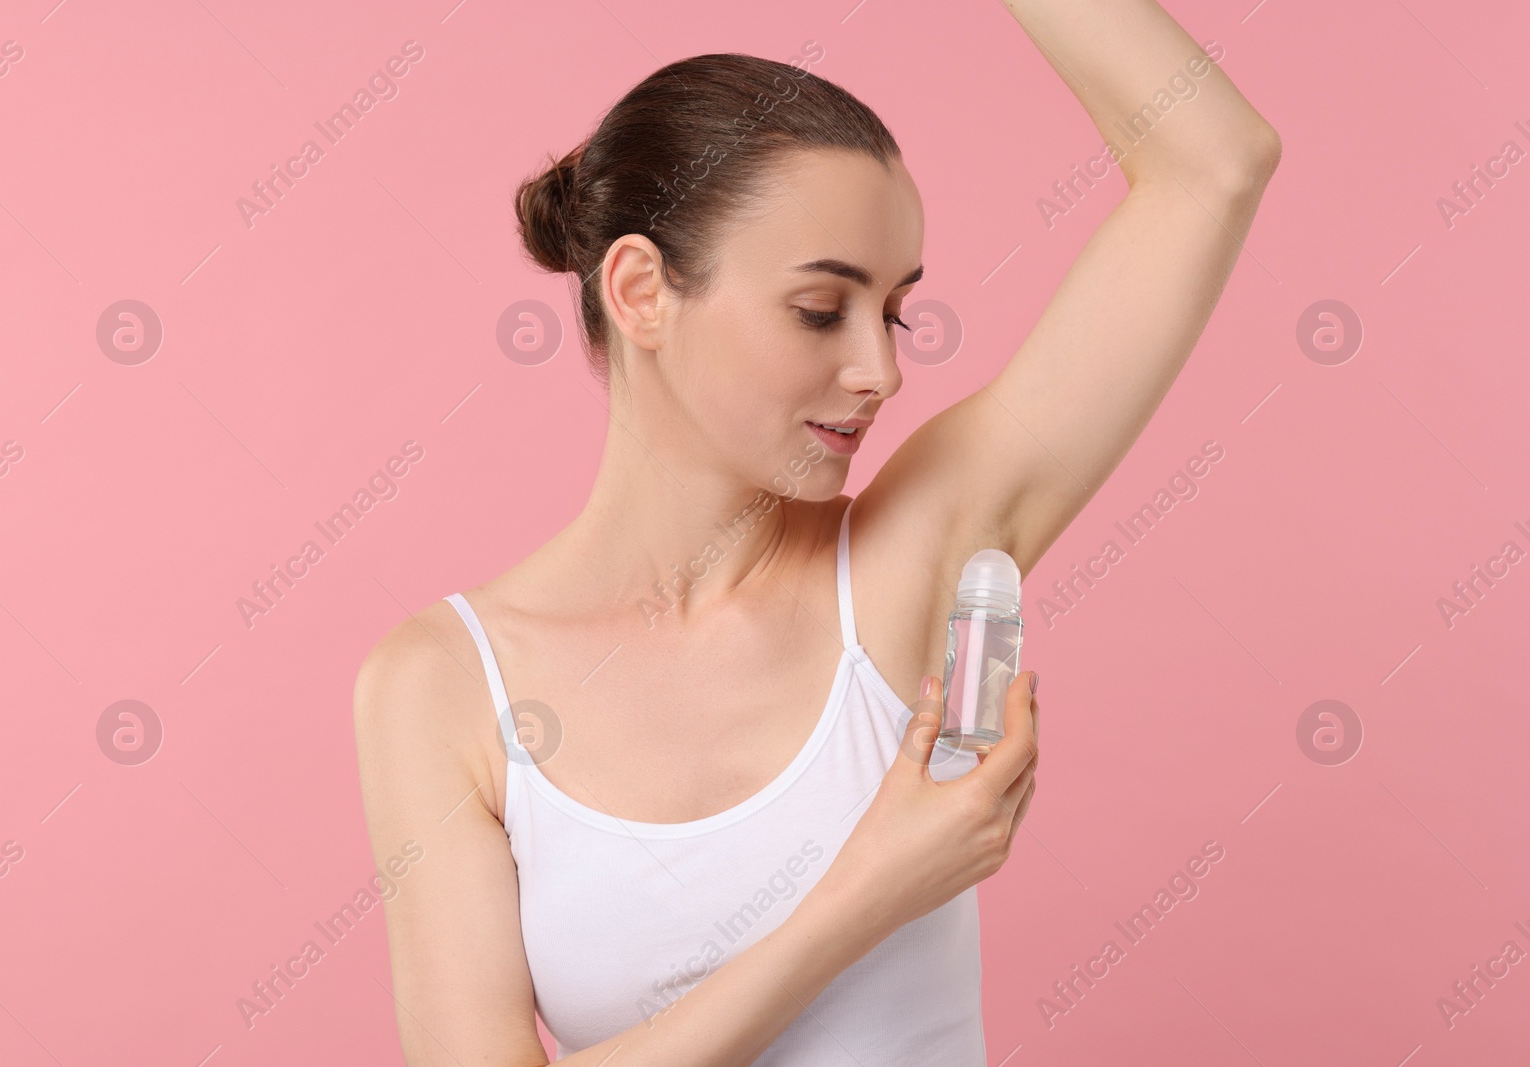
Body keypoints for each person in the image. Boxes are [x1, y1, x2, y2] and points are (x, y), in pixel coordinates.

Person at [353, 3, 1280, 1062]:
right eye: (818, 309)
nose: (880, 371)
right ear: (641, 290)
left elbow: (1213, 161)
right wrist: (865, 894)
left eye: (894, 311)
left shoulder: (905, 564)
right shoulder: (440, 686)